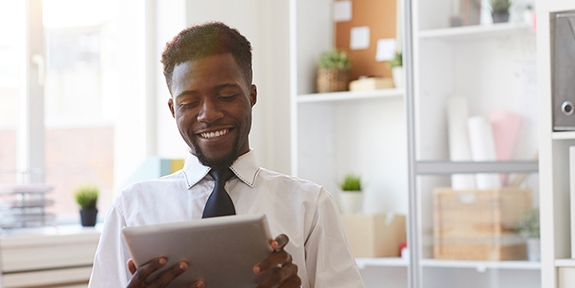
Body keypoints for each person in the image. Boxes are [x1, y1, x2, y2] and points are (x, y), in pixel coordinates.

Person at [88, 21, 364, 288]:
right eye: (189, 102)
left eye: (226, 95)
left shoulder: (309, 207)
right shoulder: (132, 208)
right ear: (173, 110)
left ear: (251, 95)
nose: (208, 114)